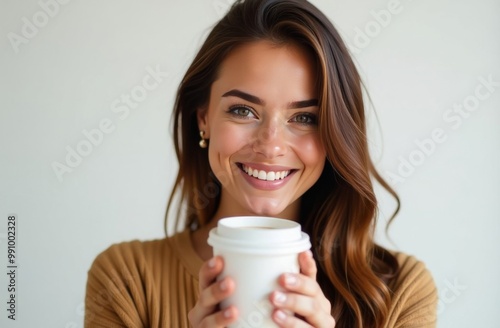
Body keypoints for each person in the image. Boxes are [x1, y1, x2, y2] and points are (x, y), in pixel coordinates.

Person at [84, 0, 437, 327]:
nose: (270, 146)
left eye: (305, 118)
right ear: (204, 118)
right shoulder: (126, 280)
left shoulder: (400, 292)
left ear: (334, 133)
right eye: (243, 111)